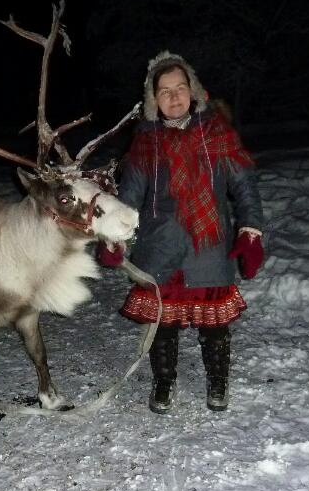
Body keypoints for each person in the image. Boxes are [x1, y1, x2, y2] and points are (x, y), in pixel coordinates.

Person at [97, 51, 265, 414]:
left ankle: (218, 381)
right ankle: (164, 381)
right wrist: (115, 235)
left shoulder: (218, 133)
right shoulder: (145, 143)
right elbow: (129, 197)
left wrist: (250, 229)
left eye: (180, 88)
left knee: (214, 325)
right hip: (161, 246)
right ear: (154, 100)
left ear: (194, 91)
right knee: (163, 323)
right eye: (164, 91)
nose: (174, 97)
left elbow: (244, 185)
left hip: (209, 246)